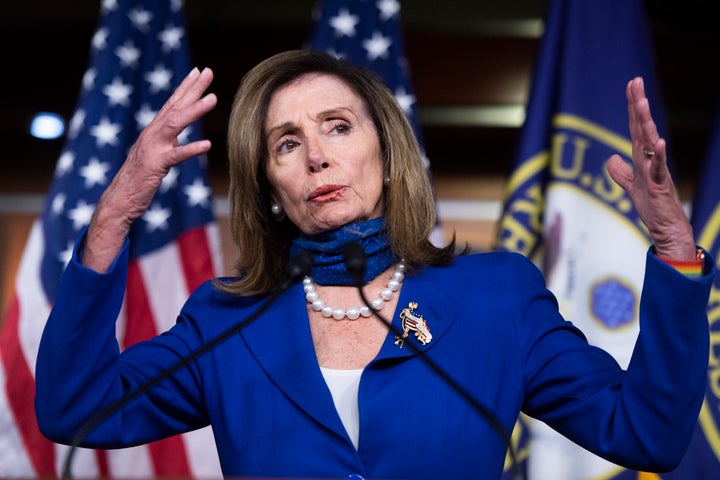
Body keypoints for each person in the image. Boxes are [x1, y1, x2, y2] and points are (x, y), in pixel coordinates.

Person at [35, 50, 714, 480]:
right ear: (271, 190)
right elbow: (75, 409)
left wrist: (675, 254)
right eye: (285, 144)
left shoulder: (495, 298)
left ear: (386, 155)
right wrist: (116, 213)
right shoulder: (225, 321)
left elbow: (645, 434)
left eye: (338, 126)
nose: (317, 157)